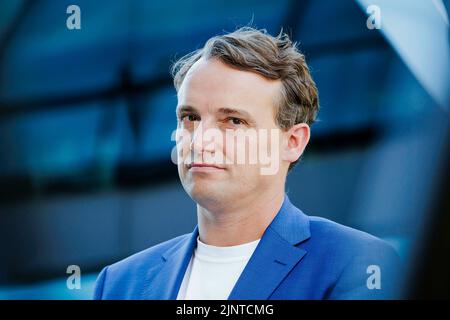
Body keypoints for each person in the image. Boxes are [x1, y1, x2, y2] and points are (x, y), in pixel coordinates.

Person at [93, 27, 401, 300]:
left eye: (233, 121)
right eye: (190, 117)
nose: (200, 141)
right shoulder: (120, 285)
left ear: (292, 142)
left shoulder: (357, 264)